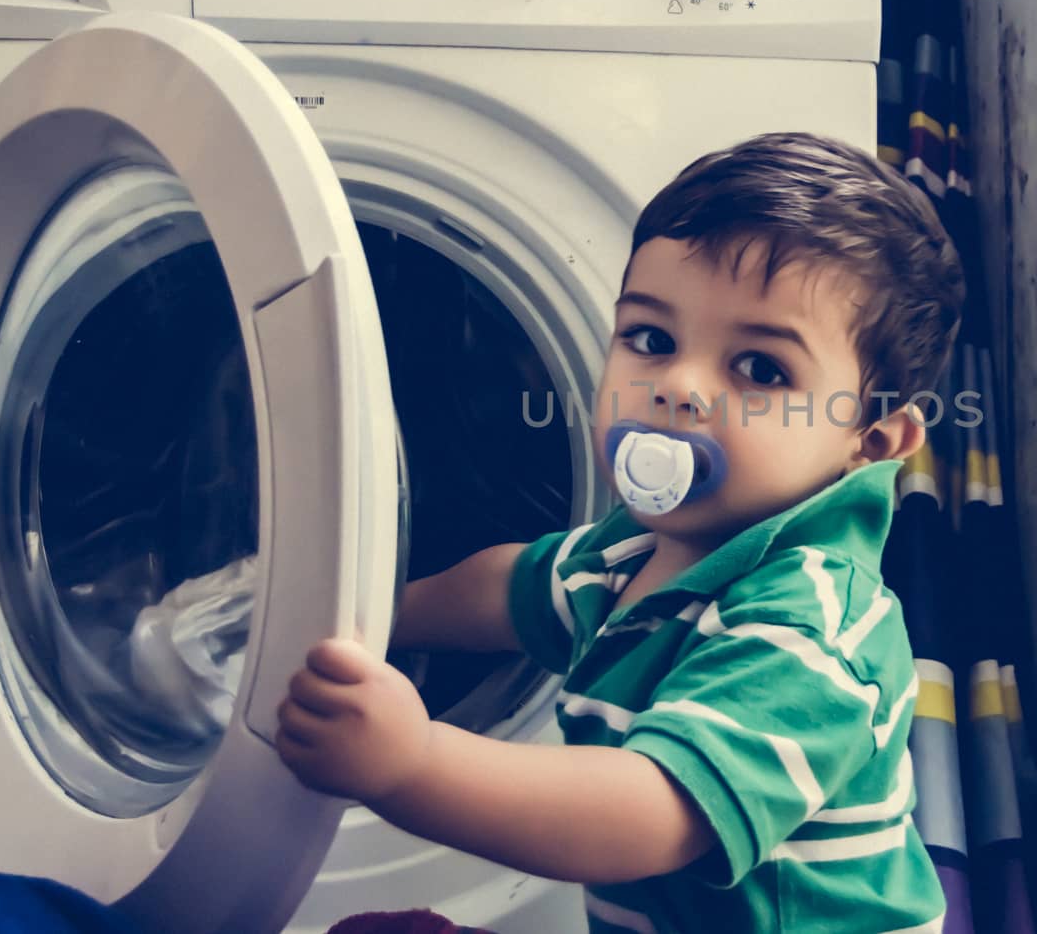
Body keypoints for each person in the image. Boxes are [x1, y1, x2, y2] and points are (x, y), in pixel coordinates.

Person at [277, 132, 965, 933]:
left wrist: (410, 763)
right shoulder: (630, 555)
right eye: (651, 339)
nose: (676, 386)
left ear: (872, 439)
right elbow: (504, 589)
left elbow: (648, 813)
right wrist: (360, 610)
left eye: (761, 368)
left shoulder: (814, 626)